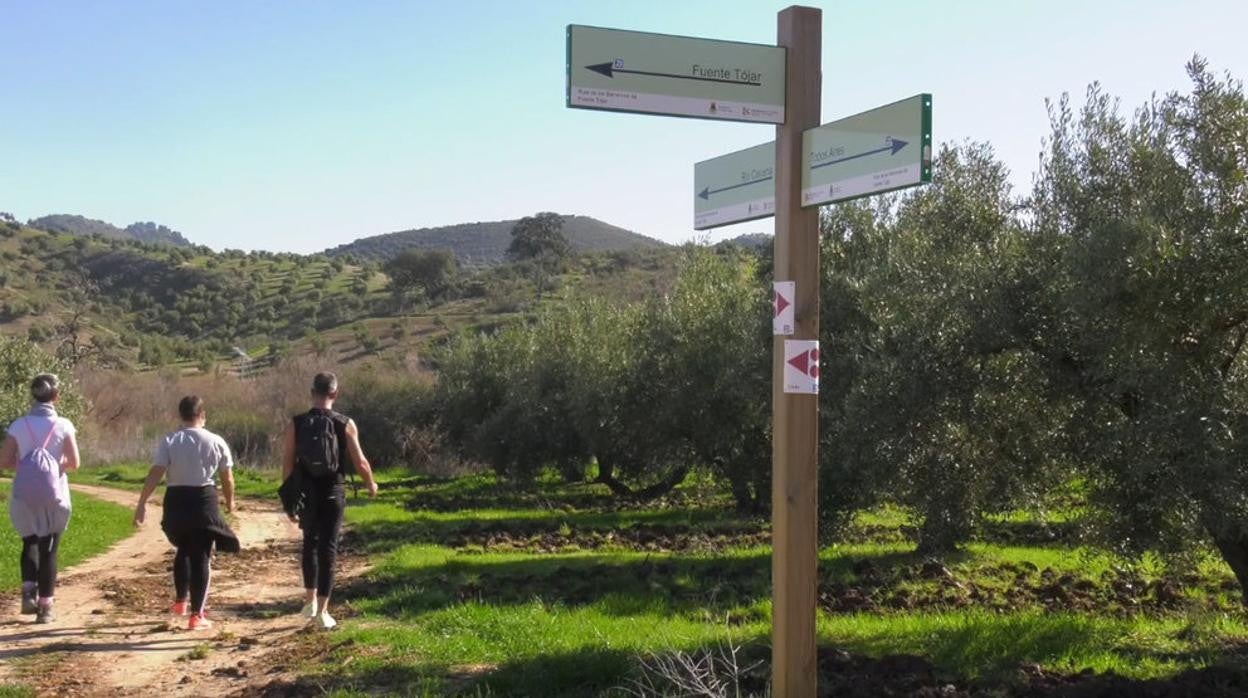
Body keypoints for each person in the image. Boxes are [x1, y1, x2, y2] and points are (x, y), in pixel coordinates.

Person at [135, 396, 239, 631]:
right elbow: (227, 477)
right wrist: (230, 502)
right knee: (201, 555)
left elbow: (156, 471)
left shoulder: (171, 440)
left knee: (183, 548)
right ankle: (197, 615)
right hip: (204, 499)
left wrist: (142, 502)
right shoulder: (216, 441)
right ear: (203, 415)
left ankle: (180, 602)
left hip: (176, 501)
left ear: (180, 416)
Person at [282, 372, 378, 630]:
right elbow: (360, 461)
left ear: (312, 392)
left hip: (307, 493)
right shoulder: (345, 423)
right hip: (334, 491)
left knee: (309, 543)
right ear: (335, 394)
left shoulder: (296, 423)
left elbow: (288, 463)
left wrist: (290, 499)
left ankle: (309, 601)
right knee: (329, 548)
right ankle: (323, 612)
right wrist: (371, 484)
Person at [1, 374, 80, 624]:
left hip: (24, 495)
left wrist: (26, 464)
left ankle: (28, 594)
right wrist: (56, 465)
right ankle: (46, 607)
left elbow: (4, 462)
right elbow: (75, 463)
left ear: (33, 395)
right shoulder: (64, 425)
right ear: (56, 396)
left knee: (29, 542)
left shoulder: (18, 425)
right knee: (50, 548)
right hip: (54, 495)